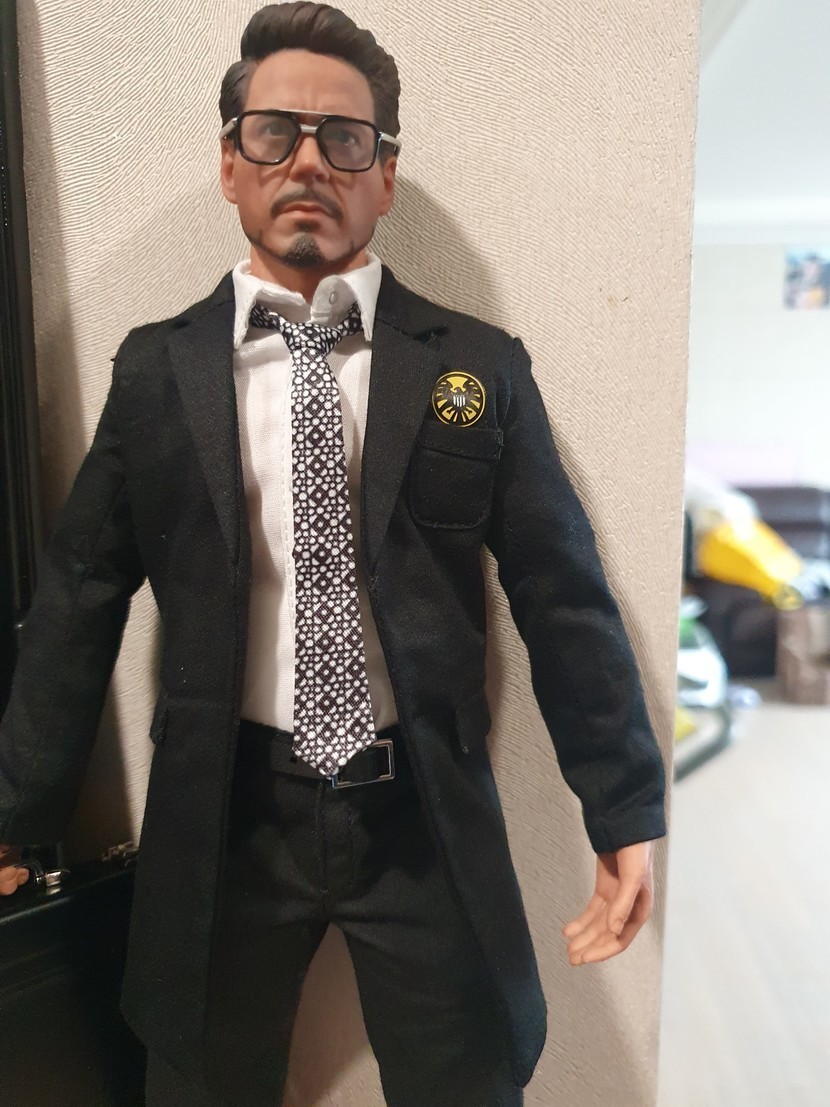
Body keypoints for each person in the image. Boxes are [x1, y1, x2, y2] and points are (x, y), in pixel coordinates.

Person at [0, 4, 668, 1104]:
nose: (307, 161)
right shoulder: (157, 372)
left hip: (421, 812)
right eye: (274, 132)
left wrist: (623, 802)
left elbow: (561, 593)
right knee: (198, 1078)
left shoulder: (474, 365)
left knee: (468, 1079)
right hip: (225, 812)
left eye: (344, 139)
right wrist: (19, 814)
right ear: (230, 163)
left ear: (384, 175)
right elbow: (79, 597)